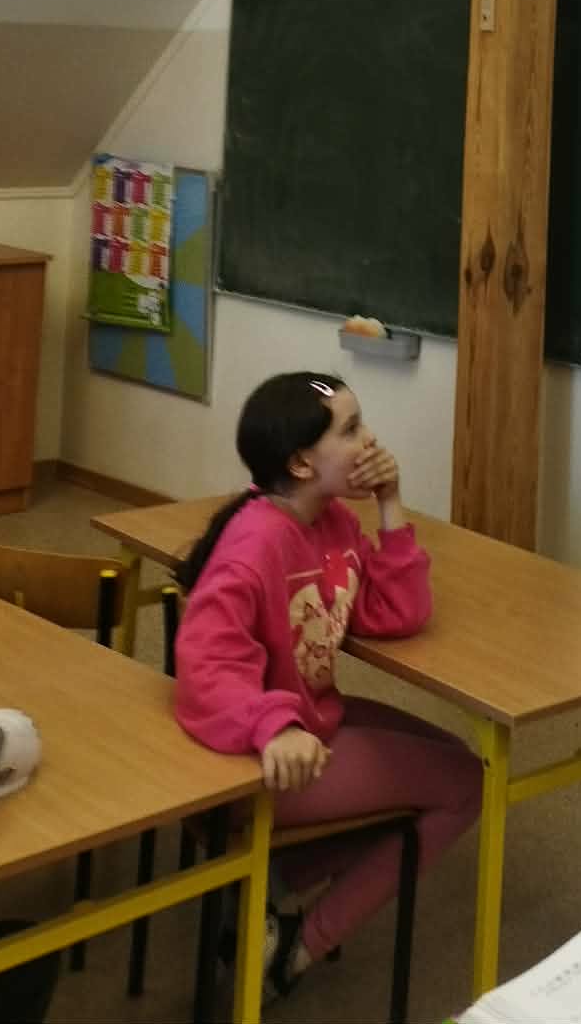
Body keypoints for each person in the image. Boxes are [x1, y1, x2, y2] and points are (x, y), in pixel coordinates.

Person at [174, 371, 483, 999]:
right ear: (300, 463)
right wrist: (274, 727)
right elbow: (204, 666)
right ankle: (298, 947)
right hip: (259, 757)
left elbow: (397, 613)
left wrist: (391, 504)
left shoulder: (333, 521)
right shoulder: (256, 542)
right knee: (463, 785)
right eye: (351, 429)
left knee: (452, 757)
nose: (371, 442)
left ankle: (264, 880)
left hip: (313, 719)